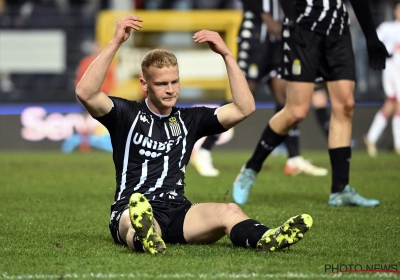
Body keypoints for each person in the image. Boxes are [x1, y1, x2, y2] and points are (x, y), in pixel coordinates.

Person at [75, 14, 313, 254]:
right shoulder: (125, 114)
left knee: (229, 210)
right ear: (144, 85)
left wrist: (227, 55)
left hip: (178, 210)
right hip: (130, 207)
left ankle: (267, 237)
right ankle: (146, 236)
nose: (170, 90)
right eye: (161, 84)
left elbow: (244, 108)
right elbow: (86, 92)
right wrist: (115, 43)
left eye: (175, 82)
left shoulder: (189, 119)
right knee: (132, 221)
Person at [232, 0, 390, 207]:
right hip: (303, 29)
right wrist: (293, 20)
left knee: (346, 106)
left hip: (337, 31)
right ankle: (251, 168)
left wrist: (371, 36)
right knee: (296, 111)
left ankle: (340, 189)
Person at [191, 0, 329, 178]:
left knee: (284, 98)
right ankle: (204, 150)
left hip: (278, 39)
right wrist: (266, 18)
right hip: (256, 37)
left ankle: (294, 158)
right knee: (242, 97)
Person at [364, 1, 400, 158]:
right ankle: (399, 145)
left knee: (391, 104)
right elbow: (374, 40)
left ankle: (371, 137)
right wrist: (387, 52)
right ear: (395, 11)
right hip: (393, 69)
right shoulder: (387, 28)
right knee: (397, 104)